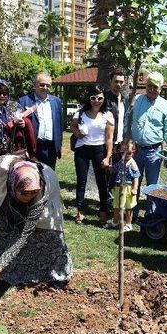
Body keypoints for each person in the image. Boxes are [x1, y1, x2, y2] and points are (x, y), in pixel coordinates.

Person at [0, 154, 72, 287]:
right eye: (24, 194)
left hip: (46, 196)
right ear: (14, 186)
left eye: (32, 193)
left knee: (44, 234)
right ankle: (4, 271)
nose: (29, 197)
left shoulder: (39, 193)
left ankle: (54, 275)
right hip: (9, 196)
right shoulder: (1, 165)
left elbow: (25, 235)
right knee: (3, 230)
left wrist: (1, 265)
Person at [128, 72, 167, 217]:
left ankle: (151, 214)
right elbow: (129, 121)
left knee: (153, 185)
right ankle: (132, 213)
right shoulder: (137, 100)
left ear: (160, 89)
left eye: (155, 87)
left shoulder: (165, 105)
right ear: (146, 86)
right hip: (136, 150)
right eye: (149, 86)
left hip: (154, 151)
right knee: (134, 181)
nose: (152, 89)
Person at [69, 85, 114, 224]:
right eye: (93, 98)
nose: (96, 101)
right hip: (82, 149)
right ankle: (80, 212)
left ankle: (103, 212)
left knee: (101, 181)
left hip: (98, 149)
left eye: (100, 98)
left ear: (104, 98)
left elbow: (109, 138)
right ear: (89, 99)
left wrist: (107, 157)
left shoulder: (108, 115)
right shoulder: (80, 112)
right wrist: (77, 133)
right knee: (81, 181)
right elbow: (72, 126)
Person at [19, 72, 64, 169]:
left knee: (49, 176)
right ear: (35, 85)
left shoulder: (56, 101)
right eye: (42, 85)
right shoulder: (24, 101)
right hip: (32, 146)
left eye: (48, 85)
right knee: (33, 177)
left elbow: (59, 125)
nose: (45, 87)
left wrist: (59, 146)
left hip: (51, 147)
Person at [105, 67, 130, 204]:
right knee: (105, 173)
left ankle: (111, 202)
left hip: (120, 143)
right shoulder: (104, 98)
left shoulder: (125, 100)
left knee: (116, 173)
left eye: (121, 82)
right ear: (110, 81)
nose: (119, 84)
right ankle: (104, 203)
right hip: (106, 142)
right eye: (116, 81)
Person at [105, 142, 140, 232]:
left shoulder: (132, 163)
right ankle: (115, 221)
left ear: (133, 152)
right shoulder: (121, 161)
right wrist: (108, 167)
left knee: (128, 207)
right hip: (118, 187)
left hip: (127, 188)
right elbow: (114, 168)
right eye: (122, 153)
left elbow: (136, 177)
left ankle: (128, 224)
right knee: (116, 205)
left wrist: (135, 188)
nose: (125, 155)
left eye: (128, 153)